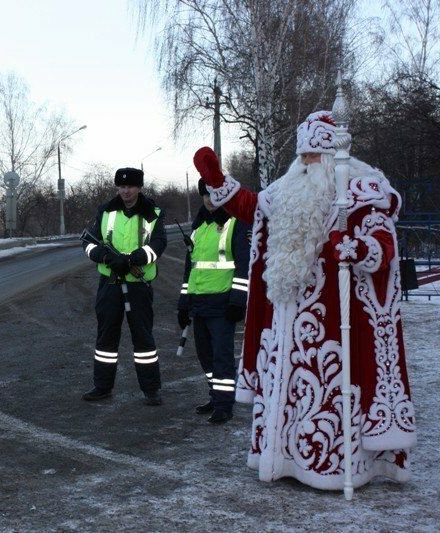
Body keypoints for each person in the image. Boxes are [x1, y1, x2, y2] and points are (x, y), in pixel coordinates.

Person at [193, 111, 417, 490]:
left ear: (331, 159)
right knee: (289, 391)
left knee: (330, 392)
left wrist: (355, 249)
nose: (307, 163)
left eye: (314, 156)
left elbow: (384, 248)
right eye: (303, 157)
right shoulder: (286, 191)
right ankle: (286, 461)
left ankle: (330, 469)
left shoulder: (361, 193)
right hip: (286, 323)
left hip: (336, 323)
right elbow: (252, 207)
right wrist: (217, 180)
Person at [81, 167, 167, 405]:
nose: (125, 191)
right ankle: (102, 386)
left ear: (139, 188)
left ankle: (151, 389)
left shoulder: (153, 213)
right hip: (110, 284)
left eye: (130, 186)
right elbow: (88, 244)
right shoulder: (106, 211)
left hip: (139, 285)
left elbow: (158, 245)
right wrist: (106, 257)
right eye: (121, 186)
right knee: (106, 338)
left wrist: (133, 259)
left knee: (143, 339)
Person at [177, 178, 250, 424]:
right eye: (205, 195)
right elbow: (192, 268)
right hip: (199, 302)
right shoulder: (199, 226)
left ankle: (224, 404)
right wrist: (183, 302)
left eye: (213, 194)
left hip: (222, 304)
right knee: (205, 356)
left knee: (221, 357)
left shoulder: (235, 223)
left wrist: (238, 301)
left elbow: (243, 265)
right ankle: (215, 393)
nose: (209, 199)